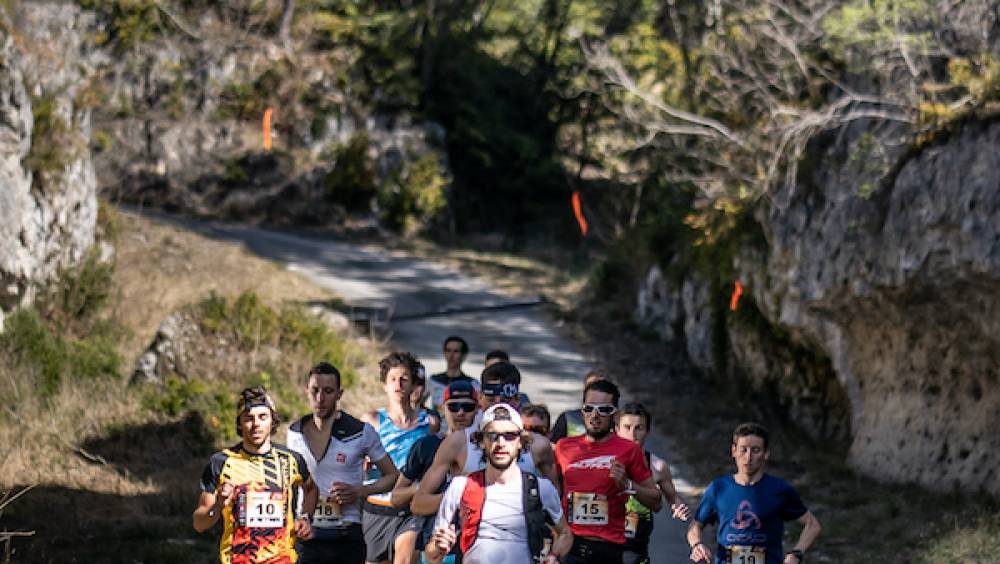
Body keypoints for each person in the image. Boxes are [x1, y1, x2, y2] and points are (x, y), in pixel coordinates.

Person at [425, 405, 572, 564]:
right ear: (481, 442)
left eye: (510, 436)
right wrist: (439, 547)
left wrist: (554, 556)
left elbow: (565, 534)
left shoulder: (540, 488)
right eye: (492, 435)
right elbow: (431, 555)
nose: (501, 443)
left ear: (521, 442)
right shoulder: (460, 486)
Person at [410, 362, 559, 517]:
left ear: (517, 400)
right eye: (491, 398)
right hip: (471, 535)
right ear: (480, 399)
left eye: (505, 399)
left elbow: (556, 502)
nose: (498, 405)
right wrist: (462, 497)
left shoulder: (538, 445)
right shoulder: (458, 443)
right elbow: (419, 503)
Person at [287, 362, 399, 564]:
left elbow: (392, 476)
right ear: (306, 391)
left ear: (339, 394)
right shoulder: (294, 433)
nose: (320, 398)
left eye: (328, 391)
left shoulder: (361, 432)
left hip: (346, 535)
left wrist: (359, 491)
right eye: (315, 391)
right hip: (307, 534)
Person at [193, 386, 318, 564]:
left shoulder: (291, 460)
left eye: (262, 417)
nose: (256, 424)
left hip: (282, 559)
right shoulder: (221, 462)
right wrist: (219, 505)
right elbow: (199, 524)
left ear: (272, 421)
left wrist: (306, 518)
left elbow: (311, 488)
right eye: (248, 418)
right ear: (240, 423)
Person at [555, 379, 662, 563]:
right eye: (589, 409)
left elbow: (656, 502)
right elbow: (552, 494)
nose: (595, 415)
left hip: (608, 549)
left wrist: (627, 485)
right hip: (570, 546)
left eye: (604, 410)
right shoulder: (564, 447)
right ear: (582, 411)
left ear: (615, 415)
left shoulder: (629, 449)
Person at [688, 423, 821, 564]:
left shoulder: (779, 489)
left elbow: (813, 525)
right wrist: (697, 545)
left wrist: (796, 553)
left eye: (755, 450)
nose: (748, 457)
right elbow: (695, 526)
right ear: (733, 451)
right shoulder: (718, 488)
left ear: (766, 453)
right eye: (743, 450)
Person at [389, 380, 480, 564]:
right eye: (454, 407)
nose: (460, 412)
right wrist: (423, 490)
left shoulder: (485, 448)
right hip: (429, 527)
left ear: (477, 410)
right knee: (406, 547)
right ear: (442, 408)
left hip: (472, 530)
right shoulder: (426, 446)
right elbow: (396, 497)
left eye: (467, 407)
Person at [362, 352, 440, 564]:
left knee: (404, 559)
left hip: (410, 507)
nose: (398, 384)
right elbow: (356, 460)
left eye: (404, 379)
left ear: (414, 384)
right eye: (393, 379)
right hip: (377, 506)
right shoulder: (372, 420)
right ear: (384, 385)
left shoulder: (430, 423)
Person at [616, 402, 691, 564]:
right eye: (627, 427)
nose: (632, 434)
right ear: (617, 430)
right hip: (606, 546)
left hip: (636, 550)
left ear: (647, 432)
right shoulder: (604, 463)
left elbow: (673, 499)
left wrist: (678, 507)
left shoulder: (658, 466)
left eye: (639, 428)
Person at [550, 370, 608, 444]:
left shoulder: (618, 421)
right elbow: (554, 449)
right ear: (584, 390)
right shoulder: (567, 418)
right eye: (591, 386)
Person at [428, 336, 479, 411]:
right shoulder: (433, 380)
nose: (451, 355)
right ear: (444, 353)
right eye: (448, 351)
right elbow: (416, 402)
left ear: (464, 355)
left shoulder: (473, 384)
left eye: (456, 351)